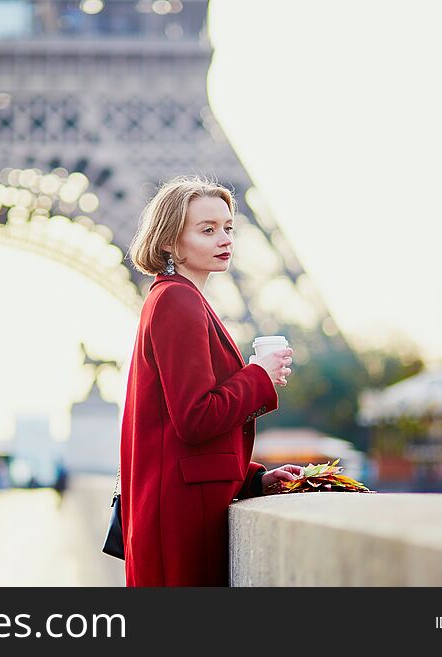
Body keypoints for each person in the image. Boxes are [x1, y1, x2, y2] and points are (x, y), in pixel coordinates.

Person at [120, 176, 301, 587]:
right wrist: (260, 376)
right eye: (207, 229)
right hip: (184, 519)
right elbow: (195, 418)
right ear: (169, 242)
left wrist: (253, 477)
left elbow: (173, 434)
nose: (224, 239)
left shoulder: (170, 297)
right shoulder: (178, 300)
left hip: (181, 508)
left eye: (228, 228)